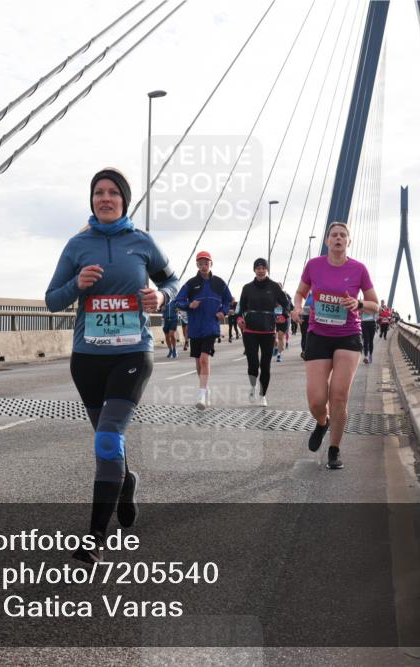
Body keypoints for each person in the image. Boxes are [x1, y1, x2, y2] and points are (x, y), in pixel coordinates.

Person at [45, 168, 180, 564]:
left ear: (124, 200)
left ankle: (93, 540)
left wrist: (162, 297)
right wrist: (78, 285)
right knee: (111, 445)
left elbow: (173, 281)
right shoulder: (76, 246)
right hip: (87, 359)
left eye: (112, 193)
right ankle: (125, 483)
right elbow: (52, 300)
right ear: (92, 200)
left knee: (106, 440)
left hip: (132, 354)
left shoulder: (142, 243)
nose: (105, 199)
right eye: (98, 193)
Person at [293, 221, 379, 471]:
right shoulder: (314, 265)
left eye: (343, 235)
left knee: (339, 394)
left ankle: (334, 449)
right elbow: (299, 292)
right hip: (318, 334)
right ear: (327, 241)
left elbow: (375, 303)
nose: (338, 238)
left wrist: (359, 304)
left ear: (348, 242)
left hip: (348, 335)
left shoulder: (359, 269)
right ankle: (322, 422)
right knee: (316, 400)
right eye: (334, 235)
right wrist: (298, 307)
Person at [173, 250, 232, 409]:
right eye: (201, 263)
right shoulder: (191, 283)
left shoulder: (219, 283)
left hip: (211, 327)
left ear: (211, 264)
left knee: (205, 359)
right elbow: (178, 301)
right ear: (197, 265)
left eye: (206, 263)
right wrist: (188, 305)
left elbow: (228, 300)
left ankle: (201, 395)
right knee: (199, 362)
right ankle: (205, 389)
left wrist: (223, 311)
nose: (204, 266)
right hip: (195, 327)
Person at [237, 258, 290, 406]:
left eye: (263, 268)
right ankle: (253, 387)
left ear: (267, 269)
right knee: (253, 364)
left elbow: (287, 304)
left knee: (265, 365)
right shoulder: (247, 288)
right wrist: (240, 318)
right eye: (258, 268)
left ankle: (263, 394)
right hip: (250, 331)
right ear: (254, 270)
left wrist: (284, 316)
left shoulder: (274, 287)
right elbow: (241, 308)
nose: (260, 270)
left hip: (268, 332)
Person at [300, 292, 312, 360]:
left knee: (311, 334)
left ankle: (310, 351)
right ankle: (304, 351)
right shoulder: (308, 293)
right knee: (304, 334)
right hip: (305, 316)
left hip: (315, 317)